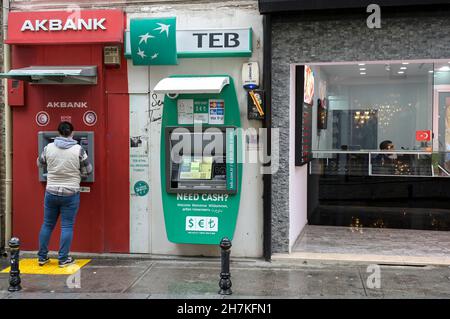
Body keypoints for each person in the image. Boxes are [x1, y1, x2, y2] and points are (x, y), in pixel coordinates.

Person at [36, 121, 93, 267]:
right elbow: (88, 170)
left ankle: (42, 257)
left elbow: (40, 163)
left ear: (58, 133)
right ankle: (63, 259)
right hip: (70, 193)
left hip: (51, 191)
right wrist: (79, 174)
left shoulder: (48, 147)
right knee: (67, 226)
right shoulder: (79, 149)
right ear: (72, 133)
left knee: (47, 224)